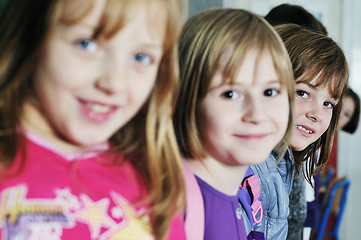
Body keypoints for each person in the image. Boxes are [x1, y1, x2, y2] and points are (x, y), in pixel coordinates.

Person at [0, 0, 186, 239]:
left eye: (141, 57)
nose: (115, 82)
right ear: (30, 33)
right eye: (87, 44)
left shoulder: (152, 184)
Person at [174, 8, 295, 239]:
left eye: (270, 91)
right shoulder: (175, 207)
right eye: (230, 94)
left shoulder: (237, 194)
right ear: (183, 98)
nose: (257, 114)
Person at [249, 24, 349, 240]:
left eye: (328, 104)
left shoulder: (283, 161)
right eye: (303, 93)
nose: (318, 114)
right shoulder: (252, 168)